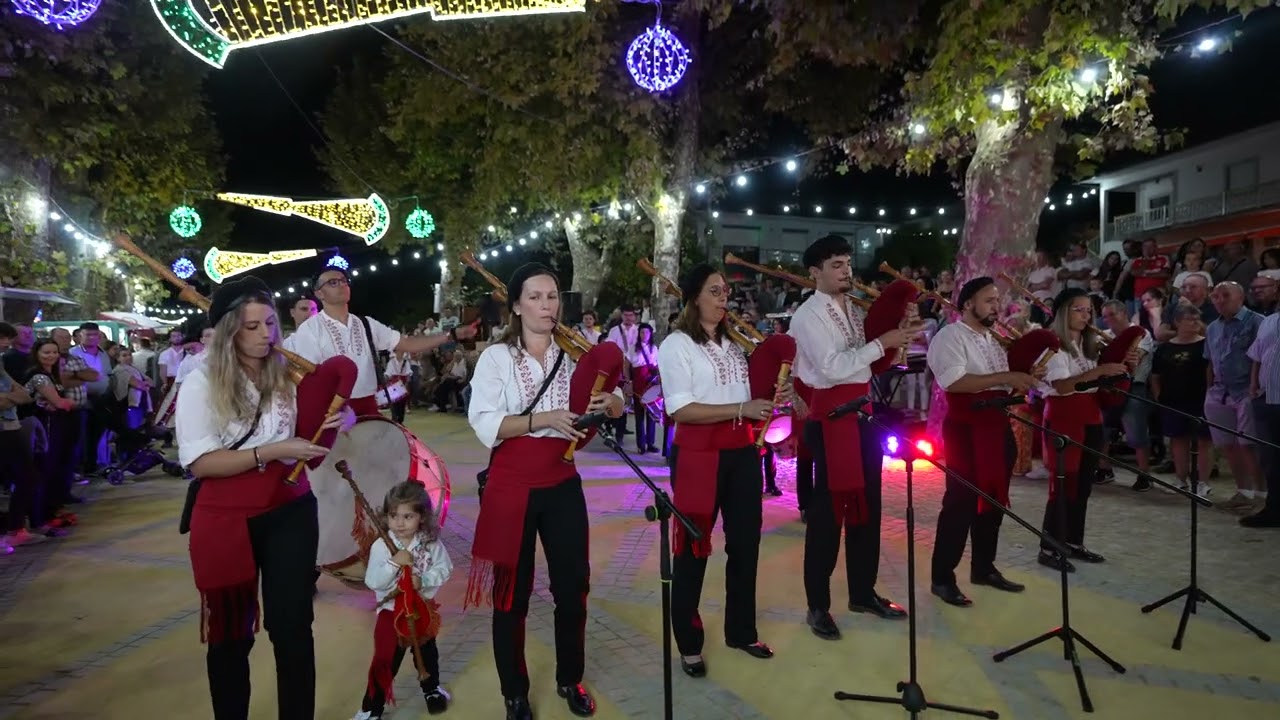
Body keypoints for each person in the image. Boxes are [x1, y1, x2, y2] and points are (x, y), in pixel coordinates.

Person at [176, 275, 355, 720]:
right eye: (251, 327)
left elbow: (311, 424)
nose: (265, 336)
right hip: (226, 519)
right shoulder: (200, 381)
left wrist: (337, 418)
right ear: (226, 330)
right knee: (231, 637)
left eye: (270, 324)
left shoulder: (287, 374)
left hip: (290, 509)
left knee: (293, 628)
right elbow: (200, 463)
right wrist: (272, 451)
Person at [466, 263, 624, 720]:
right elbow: (486, 424)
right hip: (511, 485)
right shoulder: (497, 358)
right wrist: (541, 419)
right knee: (511, 596)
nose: (545, 305)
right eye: (534, 297)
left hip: (562, 483)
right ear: (516, 305)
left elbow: (613, 401)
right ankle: (514, 692)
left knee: (572, 588)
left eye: (552, 296)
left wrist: (610, 403)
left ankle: (569, 677)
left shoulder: (575, 354)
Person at [657, 264, 784, 679]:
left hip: (741, 452)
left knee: (745, 545)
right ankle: (689, 644)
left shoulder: (733, 344)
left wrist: (767, 400)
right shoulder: (677, 345)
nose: (724, 297)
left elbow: (745, 396)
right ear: (695, 298)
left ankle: (741, 631)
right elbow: (680, 409)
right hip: (697, 455)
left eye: (726, 291)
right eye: (715, 290)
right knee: (692, 552)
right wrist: (740, 409)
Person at [788, 234, 916, 640]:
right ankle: (817, 605)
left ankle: (863, 591)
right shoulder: (807, 316)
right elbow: (830, 368)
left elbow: (866, 366)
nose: (847, 272)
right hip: (831, 419)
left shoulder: (850, 309)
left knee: (868, 505)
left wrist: (895, 342)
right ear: (815, 273)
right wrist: (883, 343)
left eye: (847, 263)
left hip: (861, 413)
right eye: (837, 265)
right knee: (829, 514)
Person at [925, 278, 1037, 607]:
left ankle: (984, 567)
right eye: (988, 300)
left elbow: (998, 384)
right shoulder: (950, 336)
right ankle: (942, 578)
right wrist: (1006, 378)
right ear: (968, 303)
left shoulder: (992, 339)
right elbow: (955, 381)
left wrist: (1017, 385)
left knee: (994, 498)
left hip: (995, 426)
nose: (995, 306)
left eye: (996, 300)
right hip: (965, 429)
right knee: (959, 503)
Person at [291, 264, 477, 416]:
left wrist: (452, 335)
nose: (341, 285)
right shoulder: (310, 329)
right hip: (332, 410)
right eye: (333, 282)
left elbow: (407, 343)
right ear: (319, 293)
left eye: (344, 281)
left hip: (369, 405)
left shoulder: (366, 323)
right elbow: (310, 379)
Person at [1038, 289, 1128, 572]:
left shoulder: (1088, 344)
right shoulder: (1052, 344)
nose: (1085, 315)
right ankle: (1049, 547)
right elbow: (1062, 386)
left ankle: (1074, 542)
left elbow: (1095, 385)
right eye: (1079, 309)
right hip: (1064, 417)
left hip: (1091, 417)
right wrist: (1098, 372)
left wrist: (1119, 370)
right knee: (1062, 485)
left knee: (1084, 485)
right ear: (1064, 312)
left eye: (1089, 310)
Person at [355, 482, 453, 718]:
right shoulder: (382, 546)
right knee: (385, 659)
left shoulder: (430, 543)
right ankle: (372, 708)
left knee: (427, 653)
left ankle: (431, 690)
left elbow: (445, 568)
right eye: (393, 516)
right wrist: (393, 563)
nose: (399, 523)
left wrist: (425, 580)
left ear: (422, 517)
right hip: (391, 611)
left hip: (421, 609)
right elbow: (373, 581)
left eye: (408, 516)